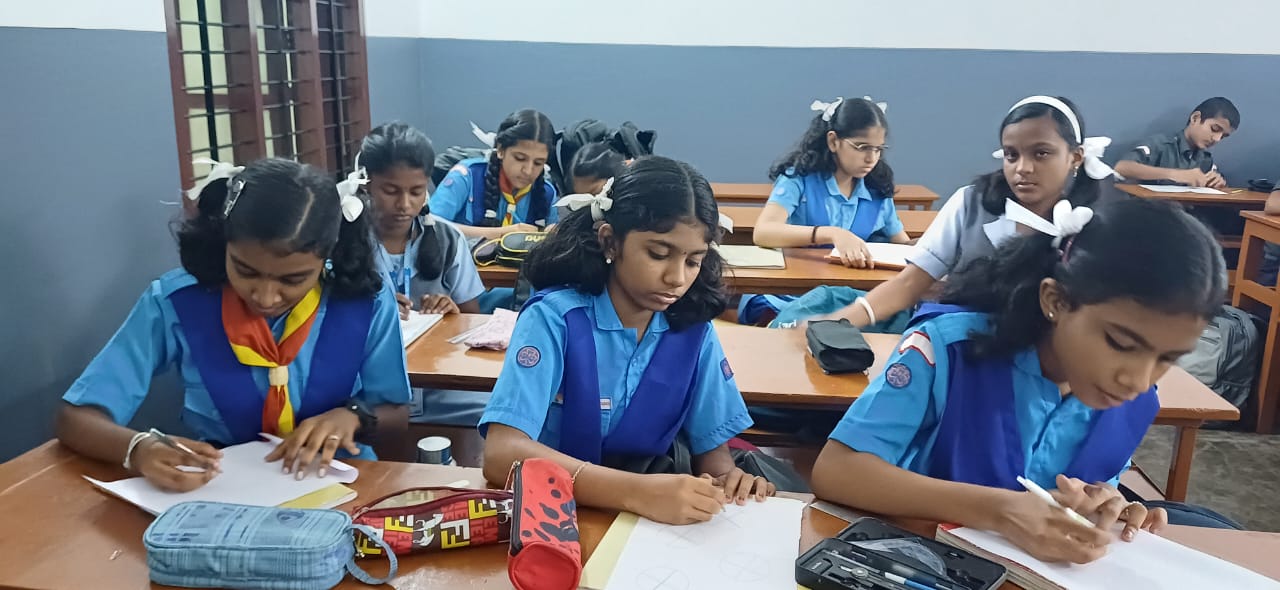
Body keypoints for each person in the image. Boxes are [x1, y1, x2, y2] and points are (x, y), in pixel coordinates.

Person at [811, 196, 1231, 564]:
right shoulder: (946, 350)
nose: (1138, 380)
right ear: (1056, 301)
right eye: (1121, 343)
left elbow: (1085, 488)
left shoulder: (1131, 399)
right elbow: (837, 470)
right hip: (920, 562)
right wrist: (1000, 510)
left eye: (1168, 358)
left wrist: (1104, 507)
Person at [56, 158, 411, 492]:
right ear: (224, 242)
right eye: (245, 270)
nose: (266, 297)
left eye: (293, 279)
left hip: (340, 479)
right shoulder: (176, 303)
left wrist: (352, 416)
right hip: (219, 485)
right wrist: (137, 448)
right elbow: (76, 417)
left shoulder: (364, 302)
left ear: (327, 256)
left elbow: (395, 412)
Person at [480, 156, 779, 525]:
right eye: (658, 254)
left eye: (693, 261)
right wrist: (637, 492)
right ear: (610, 241)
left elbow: (713, 458)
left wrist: (730, 480)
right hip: (550, 515)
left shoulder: (693, 331)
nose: (676, 278)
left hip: (649, 522)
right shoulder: (555, 319)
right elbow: (501, 455)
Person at [825, 95, 1120, 328]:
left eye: (1041, 153)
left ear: (1075, 157)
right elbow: (910, 283)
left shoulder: (1093, 224)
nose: (1023, 168)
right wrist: (837, 323)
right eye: (1011, 155)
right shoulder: (971, 203)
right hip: (958, 347)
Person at [754, 97, 908, 269]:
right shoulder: (798, 179)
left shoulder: (877, 190)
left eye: (878, 149)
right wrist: (832, 234)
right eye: (862, 147)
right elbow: (763, 232)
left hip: (852, 281)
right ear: (833, 141)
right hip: (797, 281)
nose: (871, 158)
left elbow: (902, 245)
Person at [355, 122, 483, 316]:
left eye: (416, 192)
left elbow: (472, 317)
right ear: (366, 183)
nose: (404, 204)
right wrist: (371, 311)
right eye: (391, 191)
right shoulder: (342, 239)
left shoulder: (449, 240)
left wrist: (451, 312)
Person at [429, 109, 559, 242]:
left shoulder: (547, 193)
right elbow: (430, 226)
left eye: (538, 163)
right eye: (520, 158)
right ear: (501, 150)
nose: (528, 171)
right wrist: (501, 233)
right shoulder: (466, 177)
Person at [1113, 97, 1239, 189]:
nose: (1217, 139)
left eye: (1223, 136)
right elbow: (1122, 167)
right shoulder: (1161, 144)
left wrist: (1217, 183)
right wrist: (1177, 174)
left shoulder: (1205, 159)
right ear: (1195, 118)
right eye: (1214, 129)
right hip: (1150, 211)